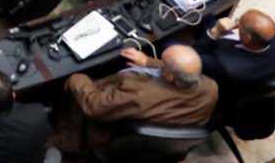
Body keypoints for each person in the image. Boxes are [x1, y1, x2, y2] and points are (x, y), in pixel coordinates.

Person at [61, 44, 218, 150]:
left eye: (163, 63)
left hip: (114, 137)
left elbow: (94, 106)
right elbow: (179, 71)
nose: (161, 64)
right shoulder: (211, 87)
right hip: (162, 145)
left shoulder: (139, 95)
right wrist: (147, 61)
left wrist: (77, 78)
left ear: (170, 77)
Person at [191, 9, 275, 88]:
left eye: (238, 23)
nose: (235, 24)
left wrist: (215, 31)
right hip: (253, 78)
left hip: (229, 87)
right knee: (208, 18)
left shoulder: (226, 65)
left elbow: (195, 58)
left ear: (248, 38)